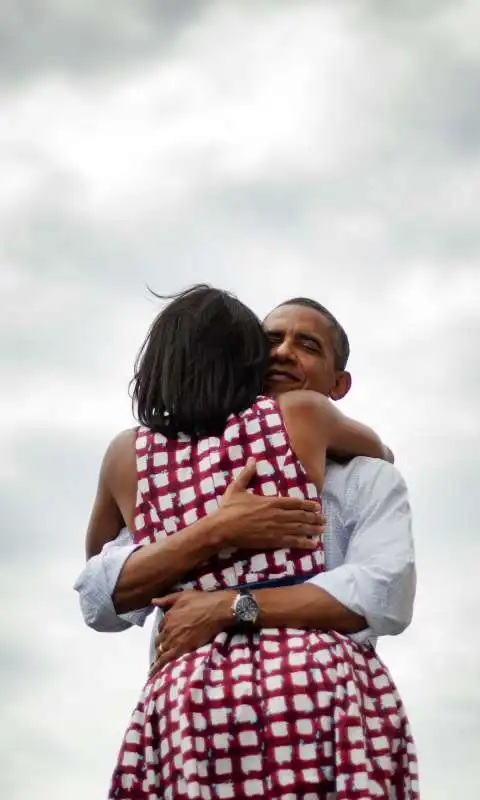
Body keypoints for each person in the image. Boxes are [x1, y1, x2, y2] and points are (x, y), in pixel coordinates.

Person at [75, 290, 418, 798]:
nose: (281, 353)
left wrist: (223, 602)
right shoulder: (305, 418)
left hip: (189, 697)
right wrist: (218, 527)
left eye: (307, 346)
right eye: (270, 341)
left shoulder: (132, 456)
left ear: (339, 383)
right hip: (314, 682)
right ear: (247, 361)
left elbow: (384, 593)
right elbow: (100, 593)